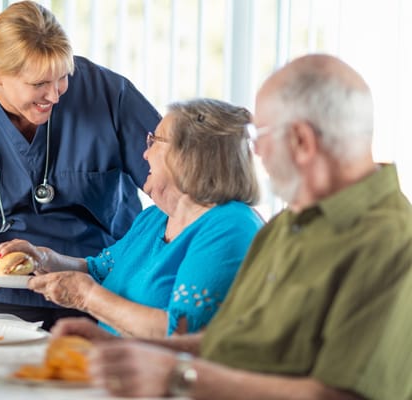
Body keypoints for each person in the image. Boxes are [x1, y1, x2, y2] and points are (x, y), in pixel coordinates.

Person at [50, 54, 412, 399]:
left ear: (301, 141)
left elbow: (341, 394)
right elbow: (226, 342)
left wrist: (175, 376)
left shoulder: (390, 242)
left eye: (260, 137)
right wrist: (128, 349)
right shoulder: (289, 224)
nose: (255, 154)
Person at [0, 1, 161, 330]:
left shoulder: (108, 94)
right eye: (39, 84)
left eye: (63, 77)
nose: (56, 95)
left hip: (103, 279)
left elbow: (171, 184)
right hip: (7, 291)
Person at [0, 98, 264, 338]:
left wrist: (86, 297)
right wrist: (43, 259)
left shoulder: (231, 226)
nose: (144, 152)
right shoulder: (154, 218)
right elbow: (99, 269)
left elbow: (182, 333)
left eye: (154, 141)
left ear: (189, 156)